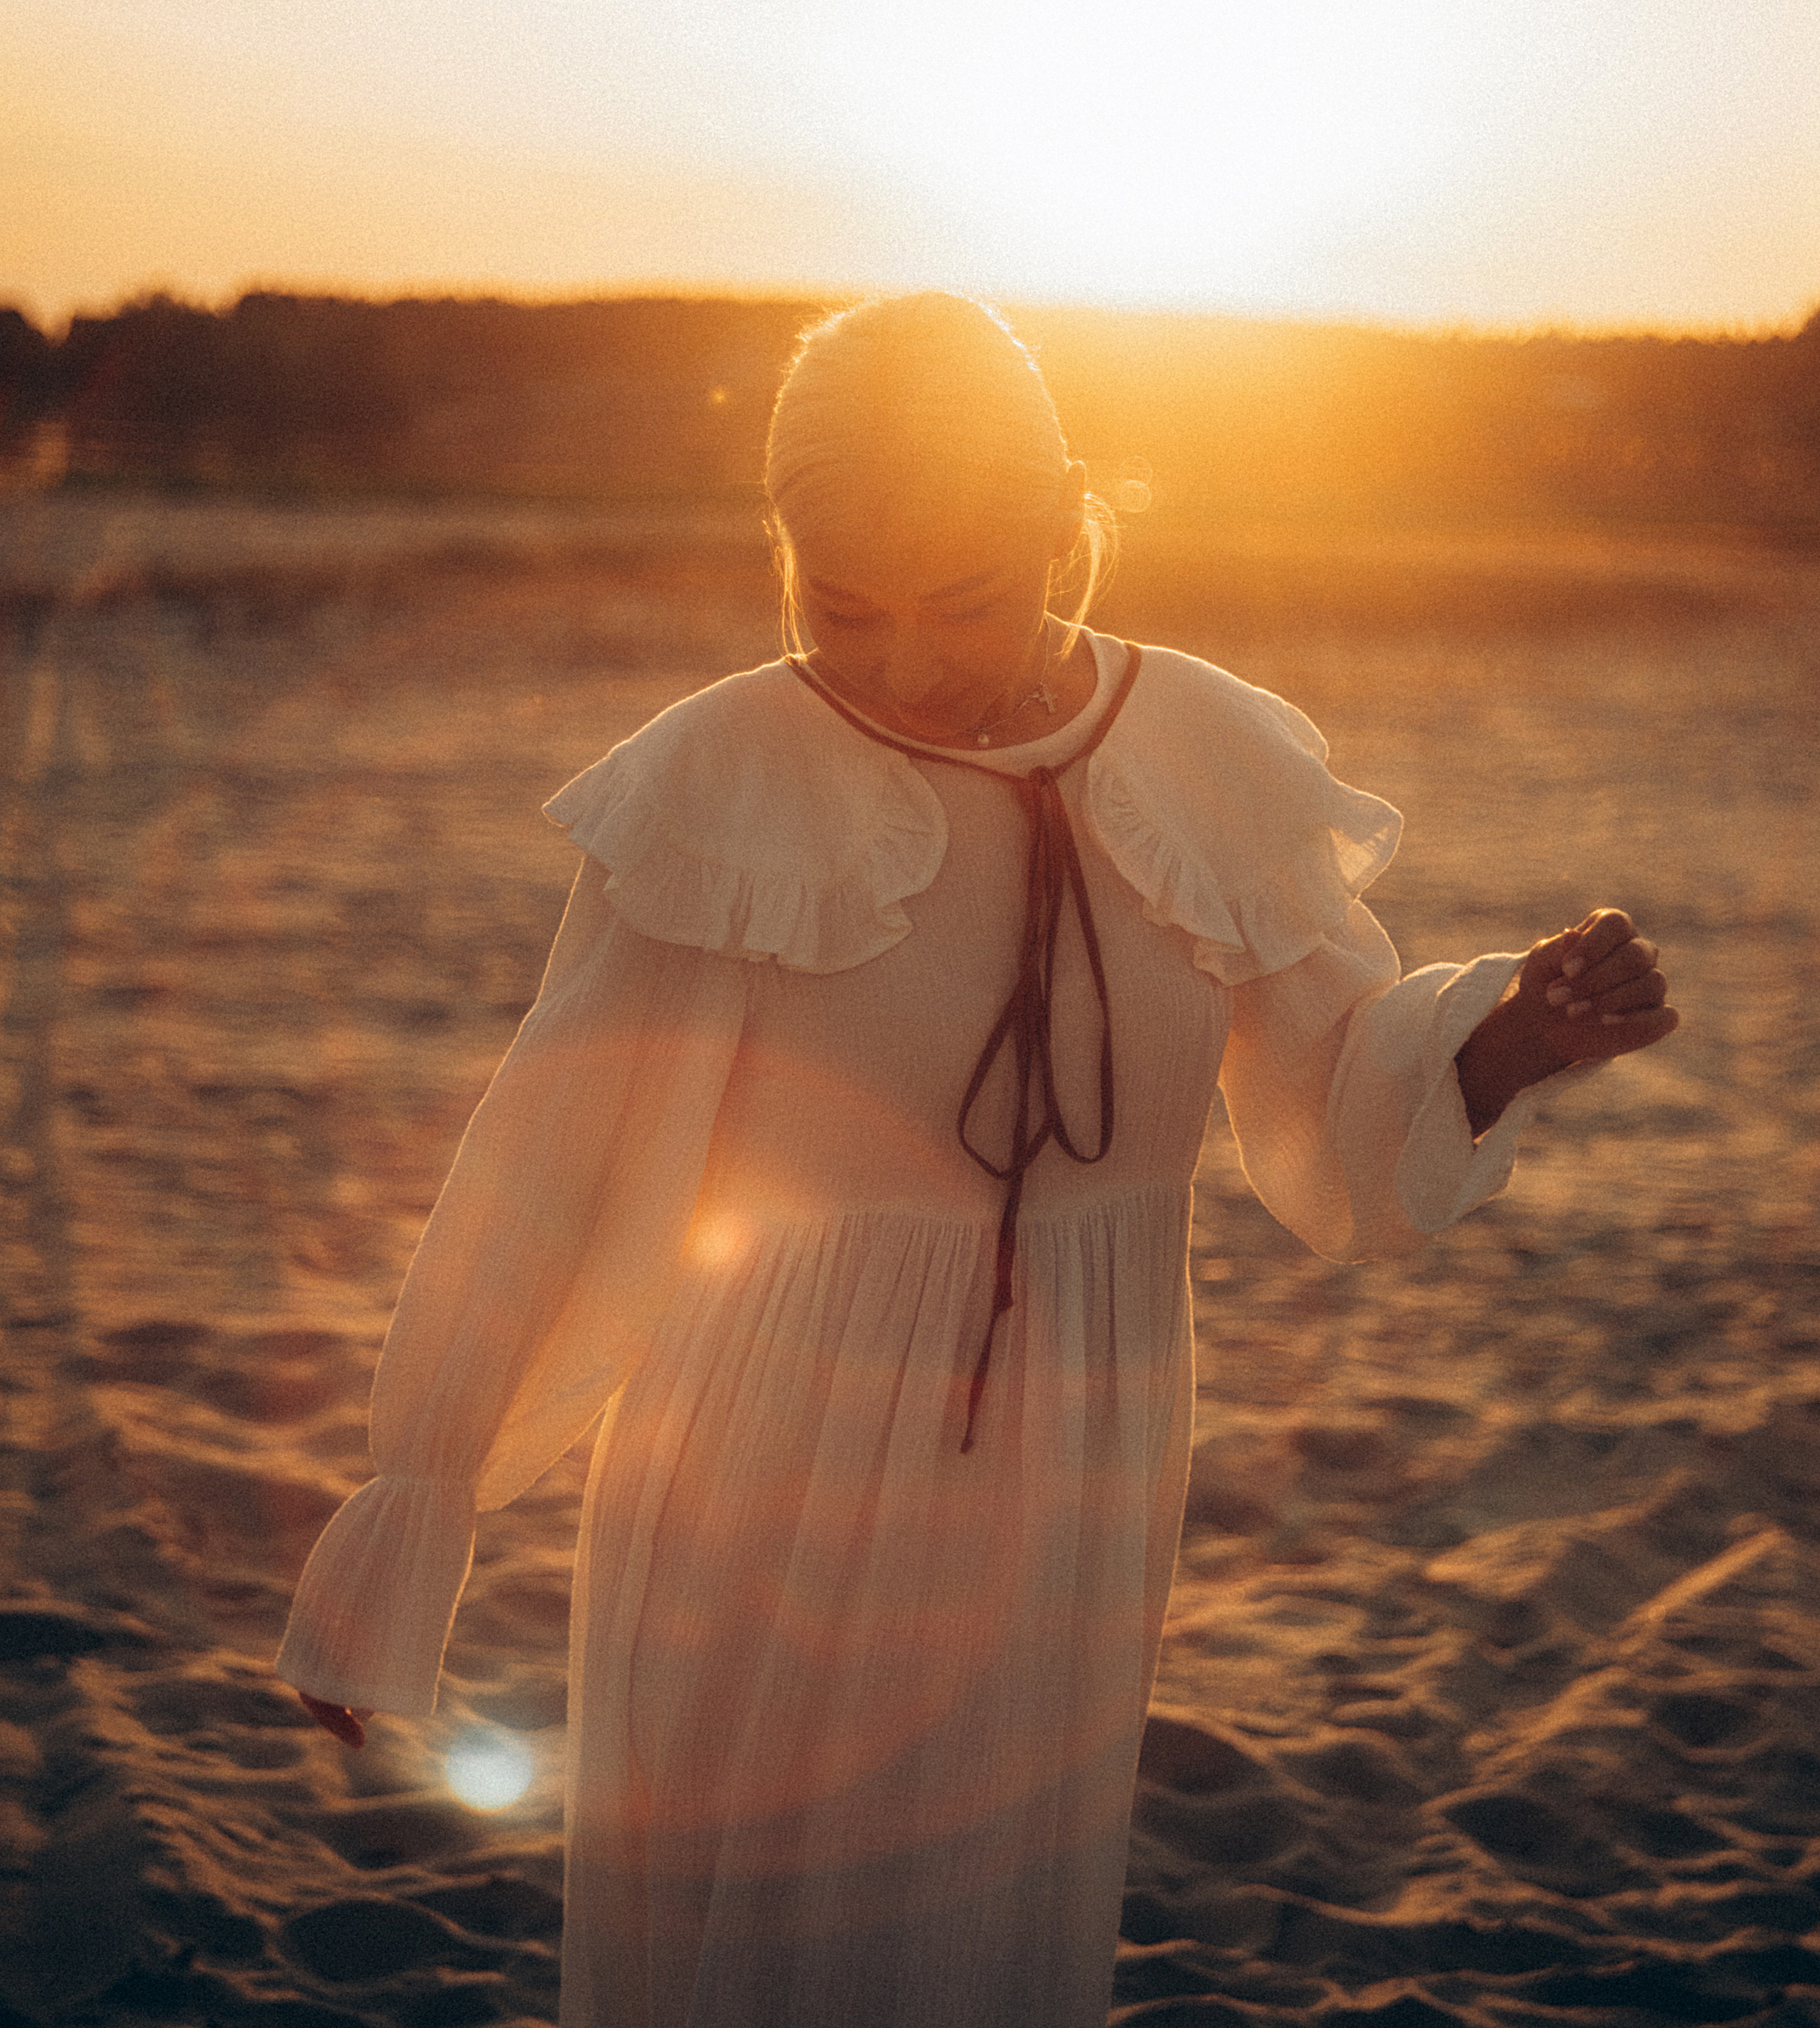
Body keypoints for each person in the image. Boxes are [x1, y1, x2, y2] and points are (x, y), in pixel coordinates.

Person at [278, 292, 1677, 2028]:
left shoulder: (1210, 754)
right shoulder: (723, 772)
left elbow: (1333, 1096)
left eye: (962, 599)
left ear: (1066, 524)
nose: (900, 661)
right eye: (839, 603)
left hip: (1073, 1465)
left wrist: (1513, 1038)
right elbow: (547, 1154)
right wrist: (412, 1516)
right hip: (759, 1463)